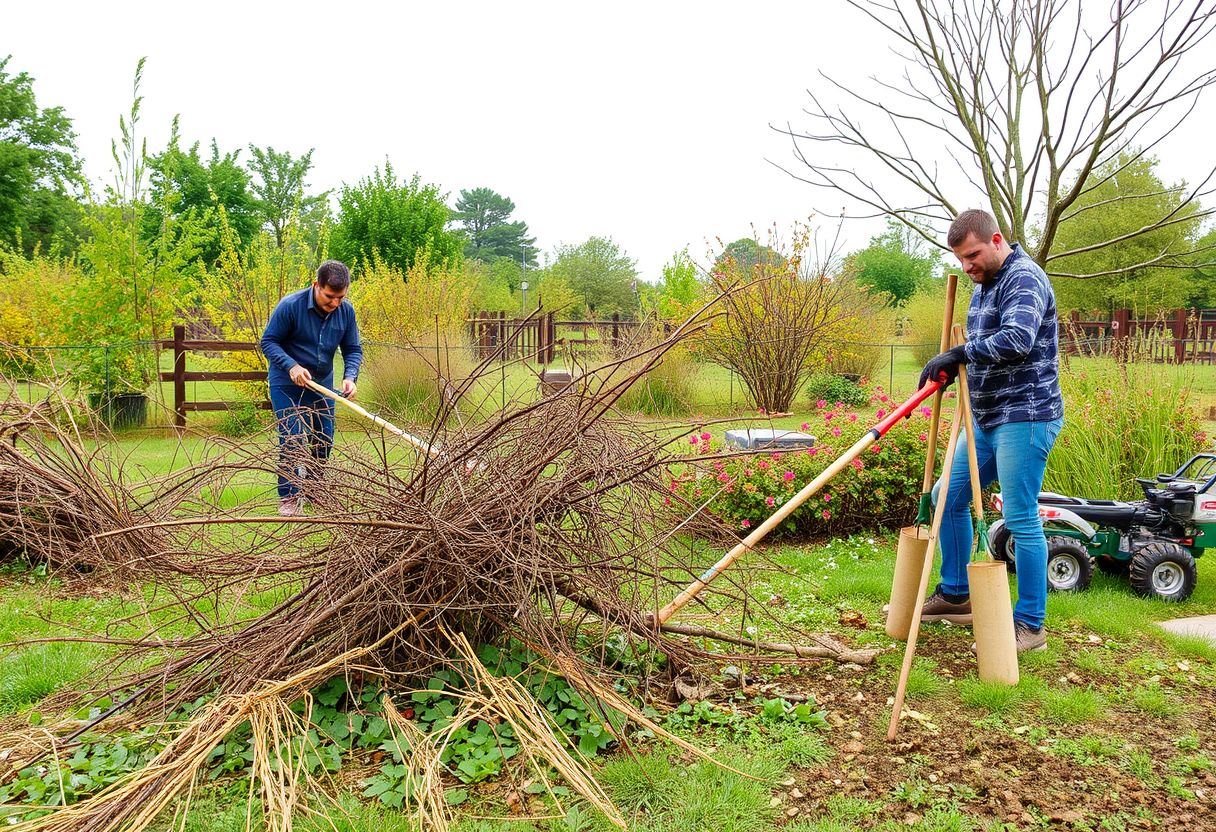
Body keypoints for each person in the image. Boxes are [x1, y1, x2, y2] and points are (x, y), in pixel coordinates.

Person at [917, 209, 1064, 653]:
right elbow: (978, 350)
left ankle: (1030, 625)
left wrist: (959, 353)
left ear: (997, 240)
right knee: (948, 495)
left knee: (1019, 518)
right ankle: (957, 594)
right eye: (961, 259)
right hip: (984, 418)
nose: (967, 266)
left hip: (1026, 415)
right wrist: (951, 364)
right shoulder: (984, 285)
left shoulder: (1024, 278)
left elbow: (1017, 338)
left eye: (974, 255)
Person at [261, 260, 363, 516]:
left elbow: (352, 349)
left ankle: (316, 490)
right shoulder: (290, 306)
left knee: (323, 439)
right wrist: (291, 365)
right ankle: (289, 496)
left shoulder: (346, 312)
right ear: (316, 285)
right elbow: (269, 342)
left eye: (341, 297)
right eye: (330, 297)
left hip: (322, 384)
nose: (335, 303)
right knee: (292, 439)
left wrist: (350, 376)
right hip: (287, 382)